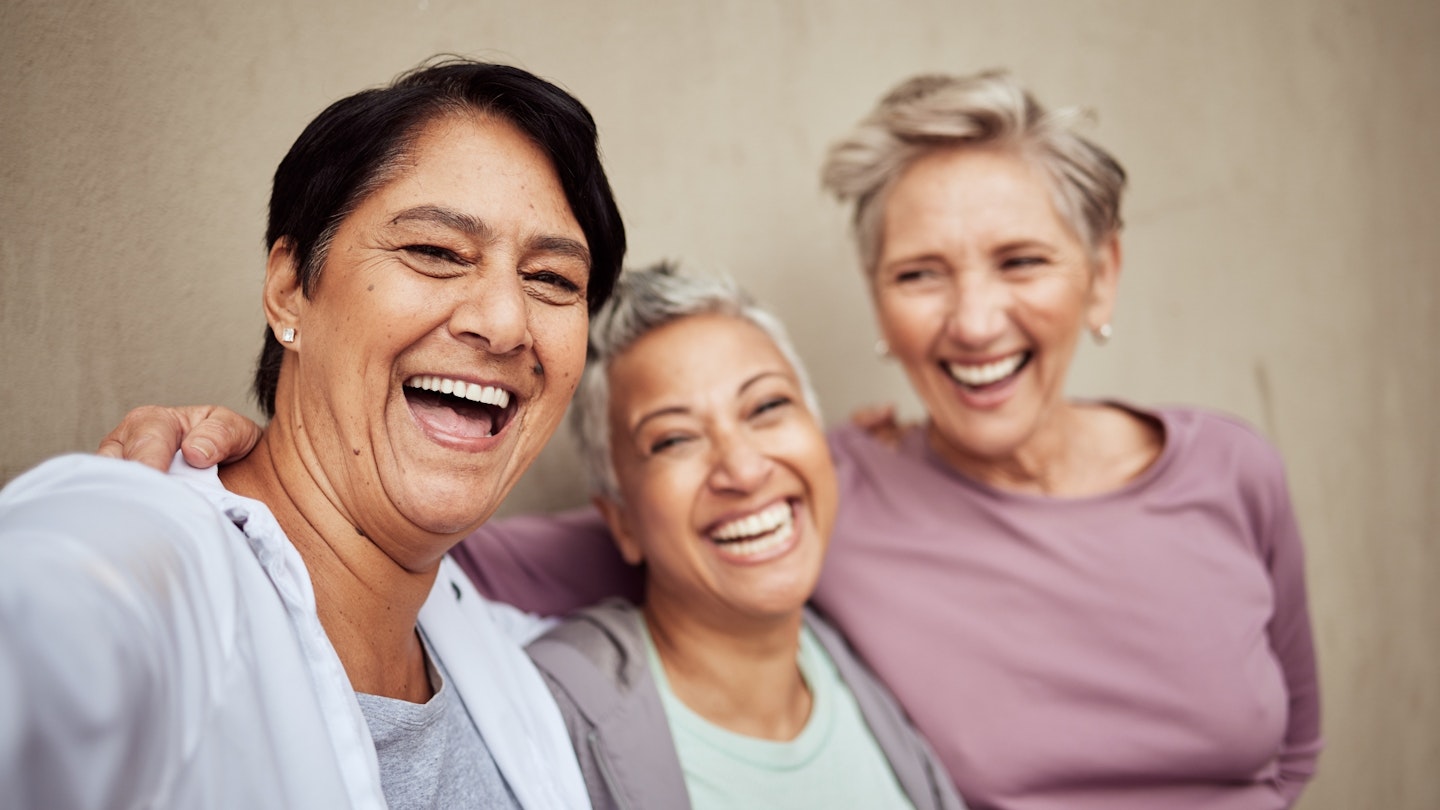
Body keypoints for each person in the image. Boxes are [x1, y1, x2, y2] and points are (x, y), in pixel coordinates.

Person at [100, 70, 1322, 809]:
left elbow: (1294, 747)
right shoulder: (838, 485)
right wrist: (251, 452)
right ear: (881, 307)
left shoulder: (1229, 468)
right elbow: (423, 522)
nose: (975, 317)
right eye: (918, 273)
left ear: (1101, 274)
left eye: (1022, 261)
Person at [1, 57, 624, 809]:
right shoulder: (137, 562)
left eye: (553, 280)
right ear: (289, 287)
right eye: (435, 252)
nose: (501, 322)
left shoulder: (484, 640)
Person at [524, 264, 962, 810]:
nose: (745, 470)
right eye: (675, 440)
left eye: (768, 406)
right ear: (621, 521)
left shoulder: (871, 660)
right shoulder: (545, 716)